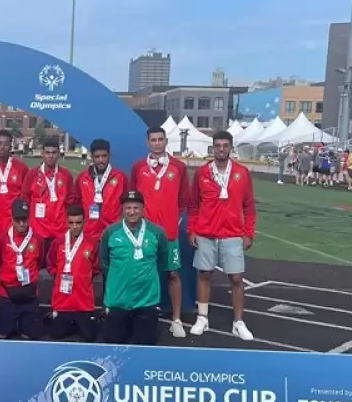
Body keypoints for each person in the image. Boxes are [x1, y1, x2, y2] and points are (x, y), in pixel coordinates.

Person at [188, 131, 256, 341]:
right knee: (205, 274)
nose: (221, 149)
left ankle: (238, 322)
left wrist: (249, 232)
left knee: (236, 278)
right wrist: (192, 229)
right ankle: (202, 317)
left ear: (231, 147)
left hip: (232, 233)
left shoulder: (242, 173)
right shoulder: (202, 173)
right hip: (206, 232)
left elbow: (249, 206)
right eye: (217, 145)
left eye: (225, 145)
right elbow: (193, 205)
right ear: (213, 148)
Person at [130, 126, 189, 338]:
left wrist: (174, 218)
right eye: (153, 140)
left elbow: (184, 198)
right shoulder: (138, 167)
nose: (157, 143)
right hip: (144, 234)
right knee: (142, 274)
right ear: (147, 143)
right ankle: (140, 315)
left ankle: (176, 319)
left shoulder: (179, 167)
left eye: (160, 139)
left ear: (166, 141)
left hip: (169, 233)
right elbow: (133, 199)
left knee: (173, 274)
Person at [99, 191, 170, 345]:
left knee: (145, 346)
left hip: (146, 301)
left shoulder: (157, 232)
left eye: (136, 208)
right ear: (122, 210)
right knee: (114, 345)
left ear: (143, 208)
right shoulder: (111, 232)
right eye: (128, 208)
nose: (132, 212)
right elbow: (104, 263)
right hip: (117, 300)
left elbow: (162, 262)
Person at [47, 204, 101, 342]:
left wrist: (83, 278)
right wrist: (59, 277)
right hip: (62, 302)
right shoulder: (58, 243)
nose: (75, 226)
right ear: (67, 222)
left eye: (78, 222)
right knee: (56, 336)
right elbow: (51, 264)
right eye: (71, 223)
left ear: (84, 222)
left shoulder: (92, 243)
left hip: (84, 302)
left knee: (90, 337)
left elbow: (96, 267)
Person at [0, 199, 44, 340]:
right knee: (0, 335)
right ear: (12, 218)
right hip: (7, 293)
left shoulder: (38, 239)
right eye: (18, 220)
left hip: (29, 293)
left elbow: (40, 263)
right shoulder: (2, 239)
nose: (21, 223)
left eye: (25, 219)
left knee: (30, 336)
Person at [22, 136, 76, 254]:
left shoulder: (66, 175)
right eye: (47, 152)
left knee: (58, 266)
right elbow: (24, 199)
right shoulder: (32, 175)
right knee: (37, 266)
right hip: (38, 230)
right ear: (42, 154)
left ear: (58, 154)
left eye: (54, 152)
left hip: (60, 230)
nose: (50, 156)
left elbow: (70, 200)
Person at [75, 138, 128, 242]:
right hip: (89, 233)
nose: (100, 160)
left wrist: (120, 223)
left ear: (109, 155)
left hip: (113, 232)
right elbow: (76, 203)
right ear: (92, 157)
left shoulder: (120, 177)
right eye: (97, 157)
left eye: (104, 156)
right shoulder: (82, 178)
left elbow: (127, 204)